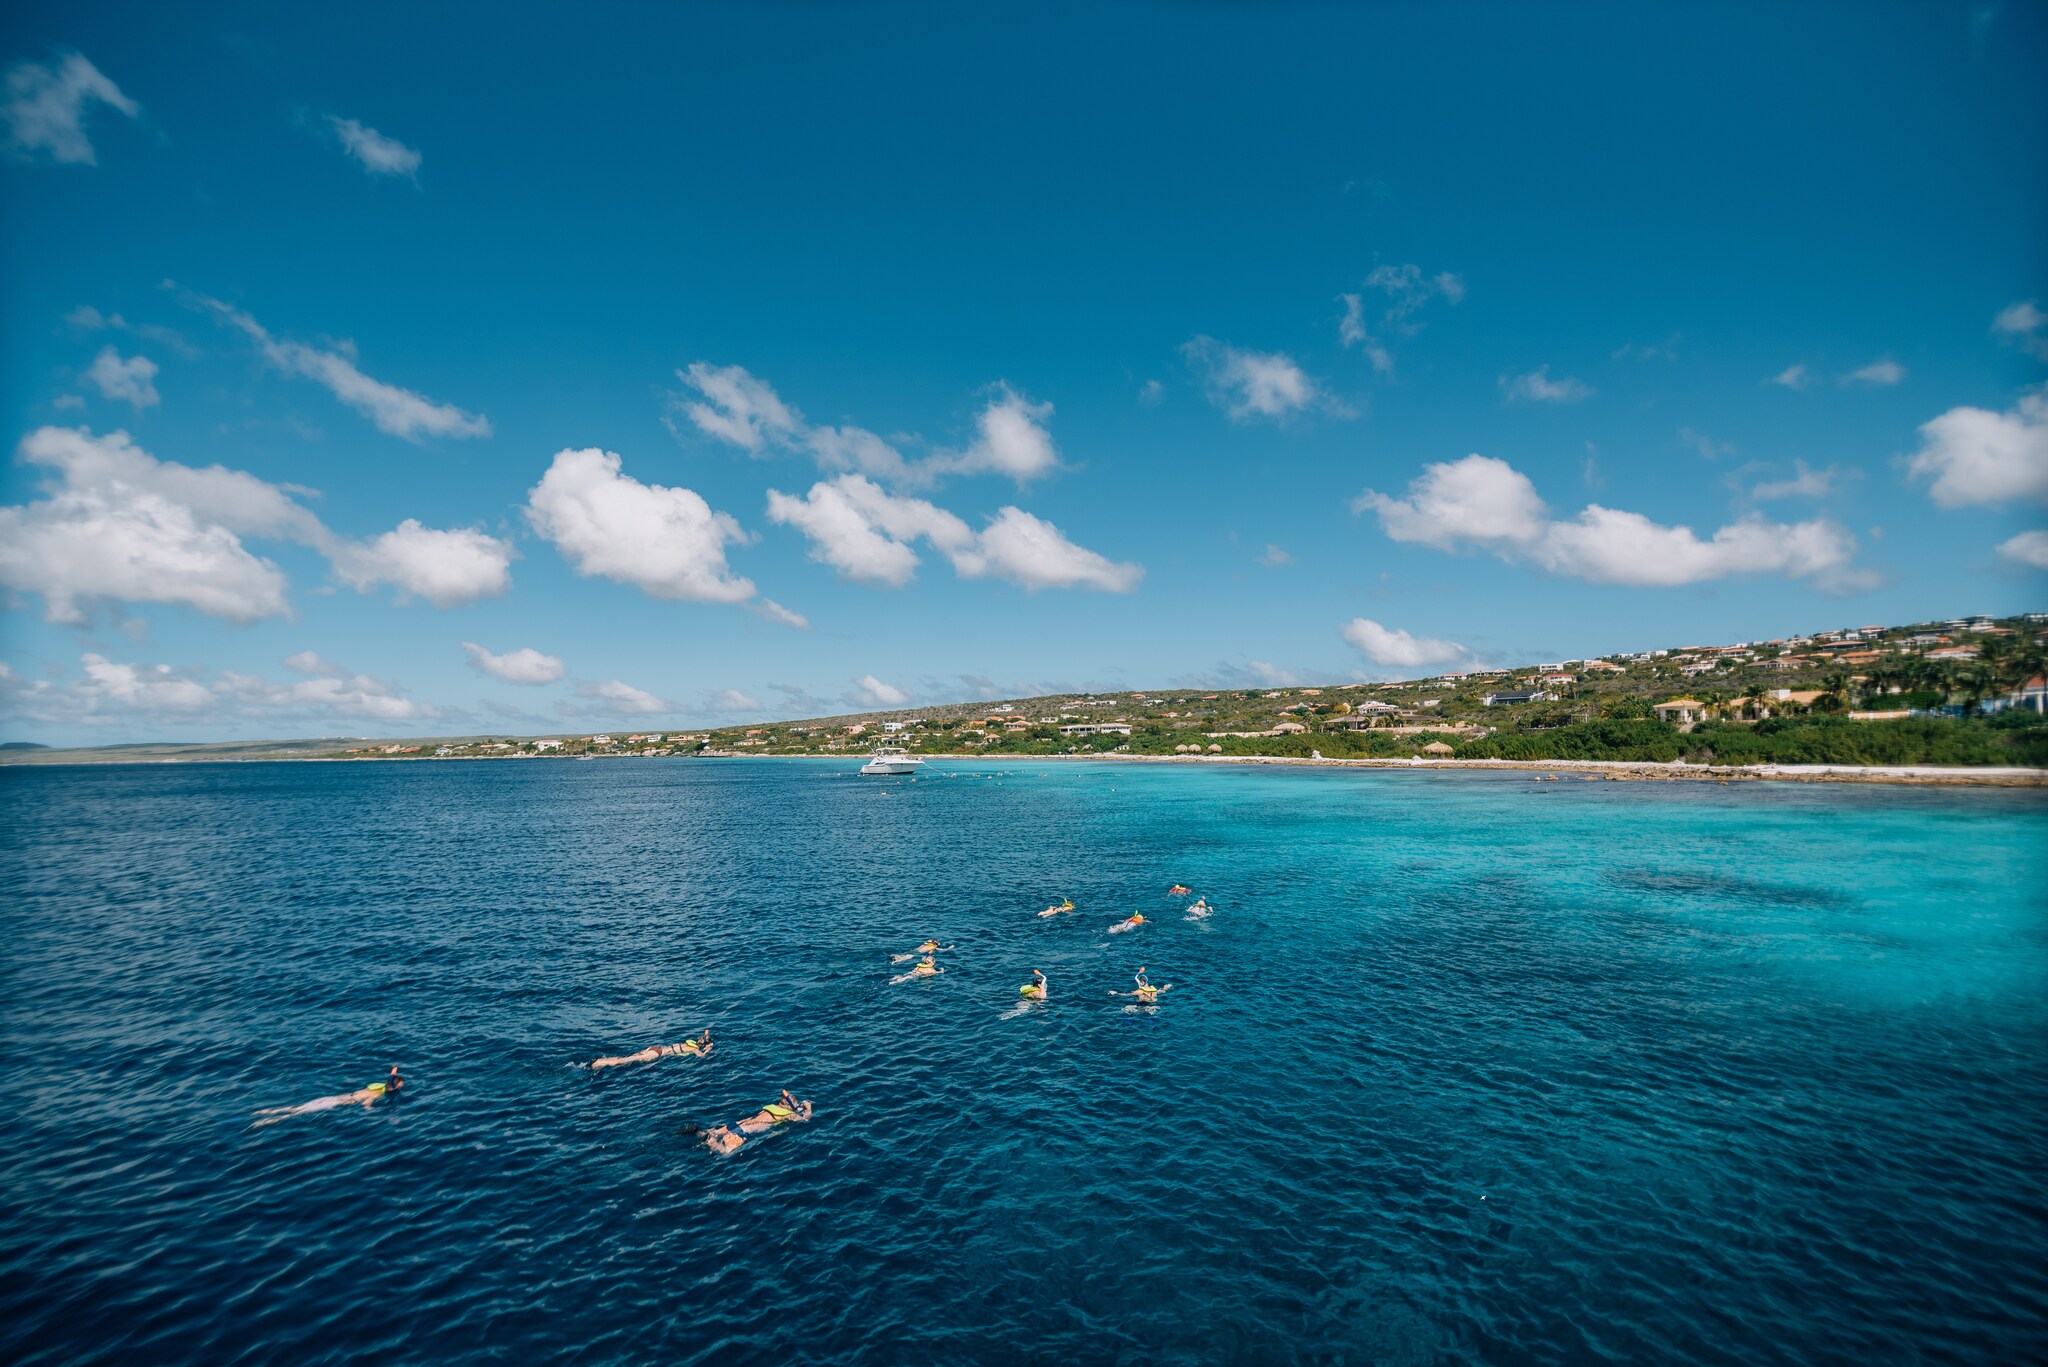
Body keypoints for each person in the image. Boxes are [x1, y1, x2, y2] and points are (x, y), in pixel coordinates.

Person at [252, 1066, 404, 1127]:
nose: (402, 1086)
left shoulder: (376, 1085)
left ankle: (265, 1111)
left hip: (333, 1097)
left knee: (296, 1108)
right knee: (298, 1114)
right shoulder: (379, 1093)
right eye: (401, 1084)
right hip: (337, 1104)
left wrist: (392, 1074)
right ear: (395, 1086)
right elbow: (366, 1104)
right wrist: (373, 1114)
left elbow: (389, 1081)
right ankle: (268, 1121)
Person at [588, 1029, 712, 1070]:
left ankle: (602, 1061)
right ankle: (600, 1063)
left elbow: (705, 1035)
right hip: (656, 1053)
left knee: (628, 1058)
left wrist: (706, 1036)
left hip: (655, 1047)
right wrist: (708, 1049)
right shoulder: (694, 1049)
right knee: (624, 1061)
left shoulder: (690, 1043)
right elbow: (701, 1056)